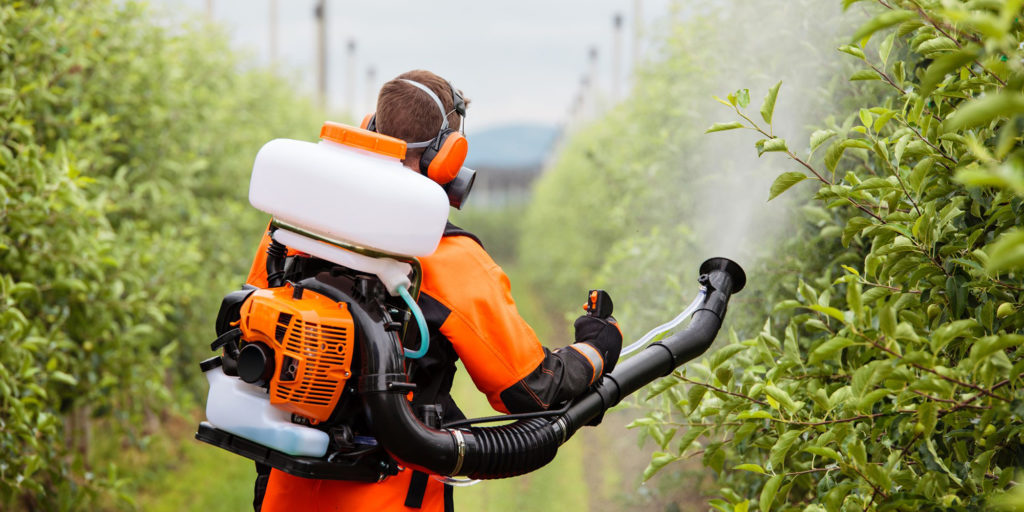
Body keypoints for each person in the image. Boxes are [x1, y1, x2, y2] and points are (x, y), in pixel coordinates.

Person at [246, 69, 623, 512]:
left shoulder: (289, 229)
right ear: (447, 156)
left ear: (370, 130)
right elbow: (531, 390)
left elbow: (254, 321)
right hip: (394, 497)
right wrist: (597, 345)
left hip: (284, 490)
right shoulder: (446, 257)